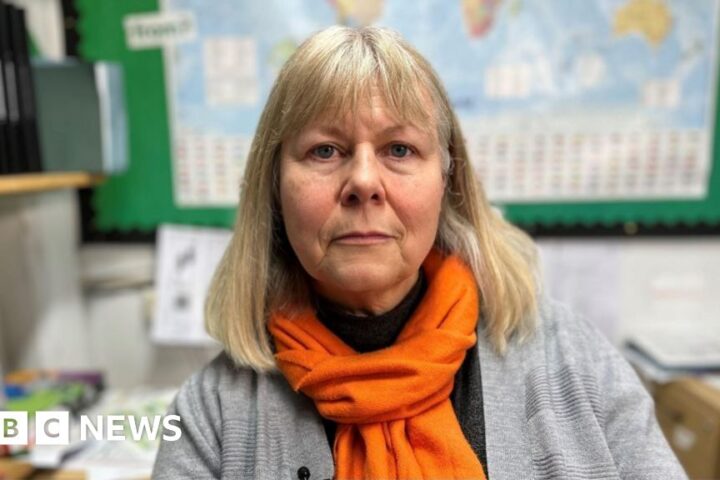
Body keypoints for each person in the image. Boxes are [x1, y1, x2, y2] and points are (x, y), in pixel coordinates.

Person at [152, 25, 686, 480]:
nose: (364, 182)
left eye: (399, 149)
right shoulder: (211, 414)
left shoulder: (575, 359)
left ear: (447, 180)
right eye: (325, 150)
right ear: (275, 188)